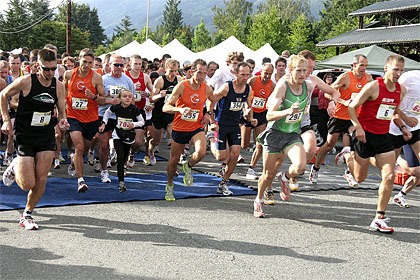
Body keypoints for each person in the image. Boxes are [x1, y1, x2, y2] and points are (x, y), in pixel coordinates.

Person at [336, 55, 407, 233]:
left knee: (389, 176)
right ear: (386, 69)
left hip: (384, 137)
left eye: (401, 70)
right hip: (364, 136)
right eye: (395, 69)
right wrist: (358, 127)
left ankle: (379, 217)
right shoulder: (373, 86)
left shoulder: (400, 90)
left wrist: (403, 126)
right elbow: (352, 107)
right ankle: (348, 157)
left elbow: (393, 110)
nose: (398, 73)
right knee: (360, 178)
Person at [1, 48, 69, 230]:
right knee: (27, 184)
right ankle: (15, 165)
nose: (50, 72)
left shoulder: (58, 86)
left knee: (41, 179)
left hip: (45, 134)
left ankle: (27, 214)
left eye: (53, 69)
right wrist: (7, 120)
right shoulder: (26, 81)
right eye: (46, 69)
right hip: (25, 135)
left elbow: (61, 109)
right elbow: (3, 95)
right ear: (37, 66)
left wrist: (63, 120)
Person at [253, 55, 313, 218]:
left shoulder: (308, 85)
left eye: (304, 70)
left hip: (292, 135)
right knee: (268, 174)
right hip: (274, 134)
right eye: (298, 71)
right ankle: (258, 200)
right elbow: (269, 115)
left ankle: (286, 178)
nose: (302, 74)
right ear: (291, 71)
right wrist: (287, 111)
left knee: (300, 167)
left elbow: (329, 89)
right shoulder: (283, 87)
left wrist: (335, 98)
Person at [309, 54, 373, 186]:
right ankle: (315, 168)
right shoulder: (345, 77)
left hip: (355, 117)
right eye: (361, 65)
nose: (364, 68)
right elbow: (328, 93)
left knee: (356, 144)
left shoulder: (368, 78)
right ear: (354, 65)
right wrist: (336, 102)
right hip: (339, 116)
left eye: (366, 66)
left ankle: (349, 172)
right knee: (329, 145)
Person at [162, 59, 214, 201]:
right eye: (199, 73)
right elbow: (165, 107)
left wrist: (208, 113)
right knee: (173, 160)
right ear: (191, 72)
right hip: (180, 128)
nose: (202, 76)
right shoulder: (182, 86)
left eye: (205, 73)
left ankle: (188, 166)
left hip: (196, 127)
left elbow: (213, 99)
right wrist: (180, 109)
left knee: (201, 152)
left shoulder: (206, 87)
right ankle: (170, 185)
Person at [208, 62, 256, 196]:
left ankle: (223, 183)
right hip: (221, 124)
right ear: (236, 73)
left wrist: (250, 118)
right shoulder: (227, 87)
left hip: (235, 125)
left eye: (248, 75)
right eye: (242, 75)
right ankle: (211, 138)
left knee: (235, 154)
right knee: (221, 156)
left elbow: (249, 105)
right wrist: (211, 119)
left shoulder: (248, 89)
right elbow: (211, 99)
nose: (245, 78)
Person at [63, 48, 107, 192]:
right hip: (73, 116)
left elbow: (102, 100)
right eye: (84, 61)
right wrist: (61, 109)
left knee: (85, 149)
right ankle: (81, 180)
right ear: (79, 59)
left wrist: (93, 96)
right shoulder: (69, 74)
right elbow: (62, 94)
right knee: (79, 147)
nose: (87, 65)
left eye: (90, 62)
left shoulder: (96, 78)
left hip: (91, 118)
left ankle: (74, 161)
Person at [99, 89, 144, 192]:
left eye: (129, 96)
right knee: (120, 157)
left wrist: (134, 124)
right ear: (119, 98)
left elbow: (142, 122)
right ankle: (121, 182)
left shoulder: (134, 109)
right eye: (125, 96)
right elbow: (107, 112)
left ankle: (114, 153)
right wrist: (104, 123)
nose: (127, 98)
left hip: (129, 135)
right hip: (117, 134)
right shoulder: (116, 107)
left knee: (123, 158)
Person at [98, 54, 134, 183]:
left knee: (125, 144)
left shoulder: (127, 81)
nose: (118, 67)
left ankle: (122, 166)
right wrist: (108, 99)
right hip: (105, 114)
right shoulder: (103, 79)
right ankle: (104, 171)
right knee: (103, 145)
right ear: (109, 65)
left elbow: (132, 99)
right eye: (116, 64)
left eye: (121, 65)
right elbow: (97, 99)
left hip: (121, 117)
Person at [389, 70, 420, 207]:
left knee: (416, 172)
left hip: (415, 128)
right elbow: (393, 105)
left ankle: (401, 195)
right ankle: (396, 160)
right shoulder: (410, 77)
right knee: (387, 169)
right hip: (397, 126)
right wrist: (405, 121)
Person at [147, 58, 183, 166]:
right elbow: (151, 99)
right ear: (165, 69)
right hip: (159, 113)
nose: (173, 74)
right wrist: (159, 95)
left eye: (175, 71)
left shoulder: (179, 79)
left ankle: (177, 159)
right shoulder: (160, 80)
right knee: (156, 140)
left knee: (175, 137)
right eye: (171, 71)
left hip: (171, 112)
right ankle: (151, 151)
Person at [244, 63, 275, 181]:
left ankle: (251, 168)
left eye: (269, 74)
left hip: (262, 115)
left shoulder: (273, 86)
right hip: (249, 113)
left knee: (260, 144)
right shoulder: (252, 81)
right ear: (261, 71)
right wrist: (245, 108)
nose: (267, 76)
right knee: (244, 144)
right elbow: (243, 93)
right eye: (265, 73)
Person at [125, 54, 153, 167]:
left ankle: (131, 153)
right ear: (130, 64)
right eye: (135, 64)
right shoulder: (125, 76)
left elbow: (153, 94)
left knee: (138, 141)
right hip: (125, 110)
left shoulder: (145, 77)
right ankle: (122, 159)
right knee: (123, 138)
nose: (137, 66)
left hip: (139, 110)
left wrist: (147, 95)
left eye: (140, 64)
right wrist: (131, 89)